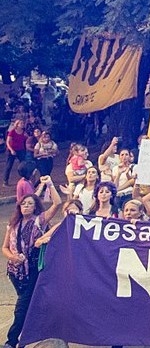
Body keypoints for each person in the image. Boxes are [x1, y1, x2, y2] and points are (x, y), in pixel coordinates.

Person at [2, 175, 62, 348]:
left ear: (35, 207)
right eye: (23, 204)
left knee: (21, 307)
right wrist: (13, 257)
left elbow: (57, 204)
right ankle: (38, 332)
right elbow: (5, 248)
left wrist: (50, 184)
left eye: (30, 203)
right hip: (15, 272)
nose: (26, 206)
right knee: (30, 304)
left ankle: (11, 341)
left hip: (34, 270)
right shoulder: (12, 225)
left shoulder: (39, 221)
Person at [4, 120, 27, 187]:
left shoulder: (23, 132)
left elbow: (26, 139)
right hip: (12, 149)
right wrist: (11, 150)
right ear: (17, 125)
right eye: (21, 123)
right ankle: (5, 181)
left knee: (23, 164)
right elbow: (8, 142)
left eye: (23, 123)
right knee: (9, 165)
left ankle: (25, 178)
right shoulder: (12, 132)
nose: (22, 124)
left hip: (21, 149)